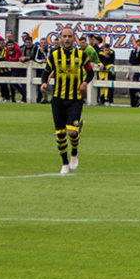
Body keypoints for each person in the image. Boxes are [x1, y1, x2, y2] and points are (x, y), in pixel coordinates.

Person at [40, 26, 93, 175]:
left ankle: (74, 152)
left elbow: (90, 72)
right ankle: (64, 162)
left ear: (73, 38)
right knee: (60, 134)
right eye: (65, 36)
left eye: (70, 36)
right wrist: (44, 83)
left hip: (75, 99)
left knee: (71, 132)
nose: (67, 39)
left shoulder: (81, 55)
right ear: (60, 38)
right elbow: (45, 73)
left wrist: (84, 83)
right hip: (57, 99)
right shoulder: (54, 55)